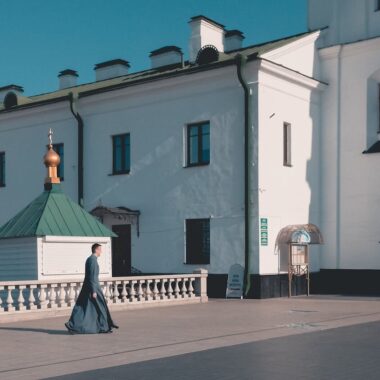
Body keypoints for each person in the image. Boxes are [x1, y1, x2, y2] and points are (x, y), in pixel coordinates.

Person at [65, 243, 119, 334]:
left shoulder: (89, 259)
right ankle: (103, 327)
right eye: (100, 250)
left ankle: (74, 325)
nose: (101, 252)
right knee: (100, 307)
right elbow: (92, 276)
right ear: (96, 250)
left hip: (88, 287)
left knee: (84, 308)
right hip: (93, 287)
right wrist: (94, 290)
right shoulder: (93, 260)